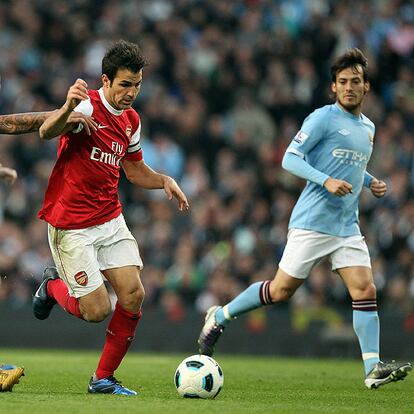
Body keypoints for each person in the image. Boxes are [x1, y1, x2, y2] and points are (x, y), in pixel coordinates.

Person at [197, 48, 412, 389]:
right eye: (342, 82)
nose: (349, 87)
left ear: (367, 86)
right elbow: (289, 159)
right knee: (281, 290)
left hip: (346, 226)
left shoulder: (368, 127)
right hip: (312, 221)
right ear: (333, 87)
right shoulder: (323, 118)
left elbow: (350, 164)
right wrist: (325, 180)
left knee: (365, 288)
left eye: (356, 81)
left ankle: (372, 368)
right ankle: (220, 315)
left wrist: (371, 182)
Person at [32, 40, 189, 396]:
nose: (132, 92)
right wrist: (69, 105)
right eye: (125, 84)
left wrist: (164, 180)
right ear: (105, 80)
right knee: (96, 310)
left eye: (137, 84)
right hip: (70, 224)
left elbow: (134, 172)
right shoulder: (86, 105)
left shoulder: (131, 120)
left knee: (133, 295)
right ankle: (52, 287)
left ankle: (102, 378)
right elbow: (45, 132)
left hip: (109, 219)